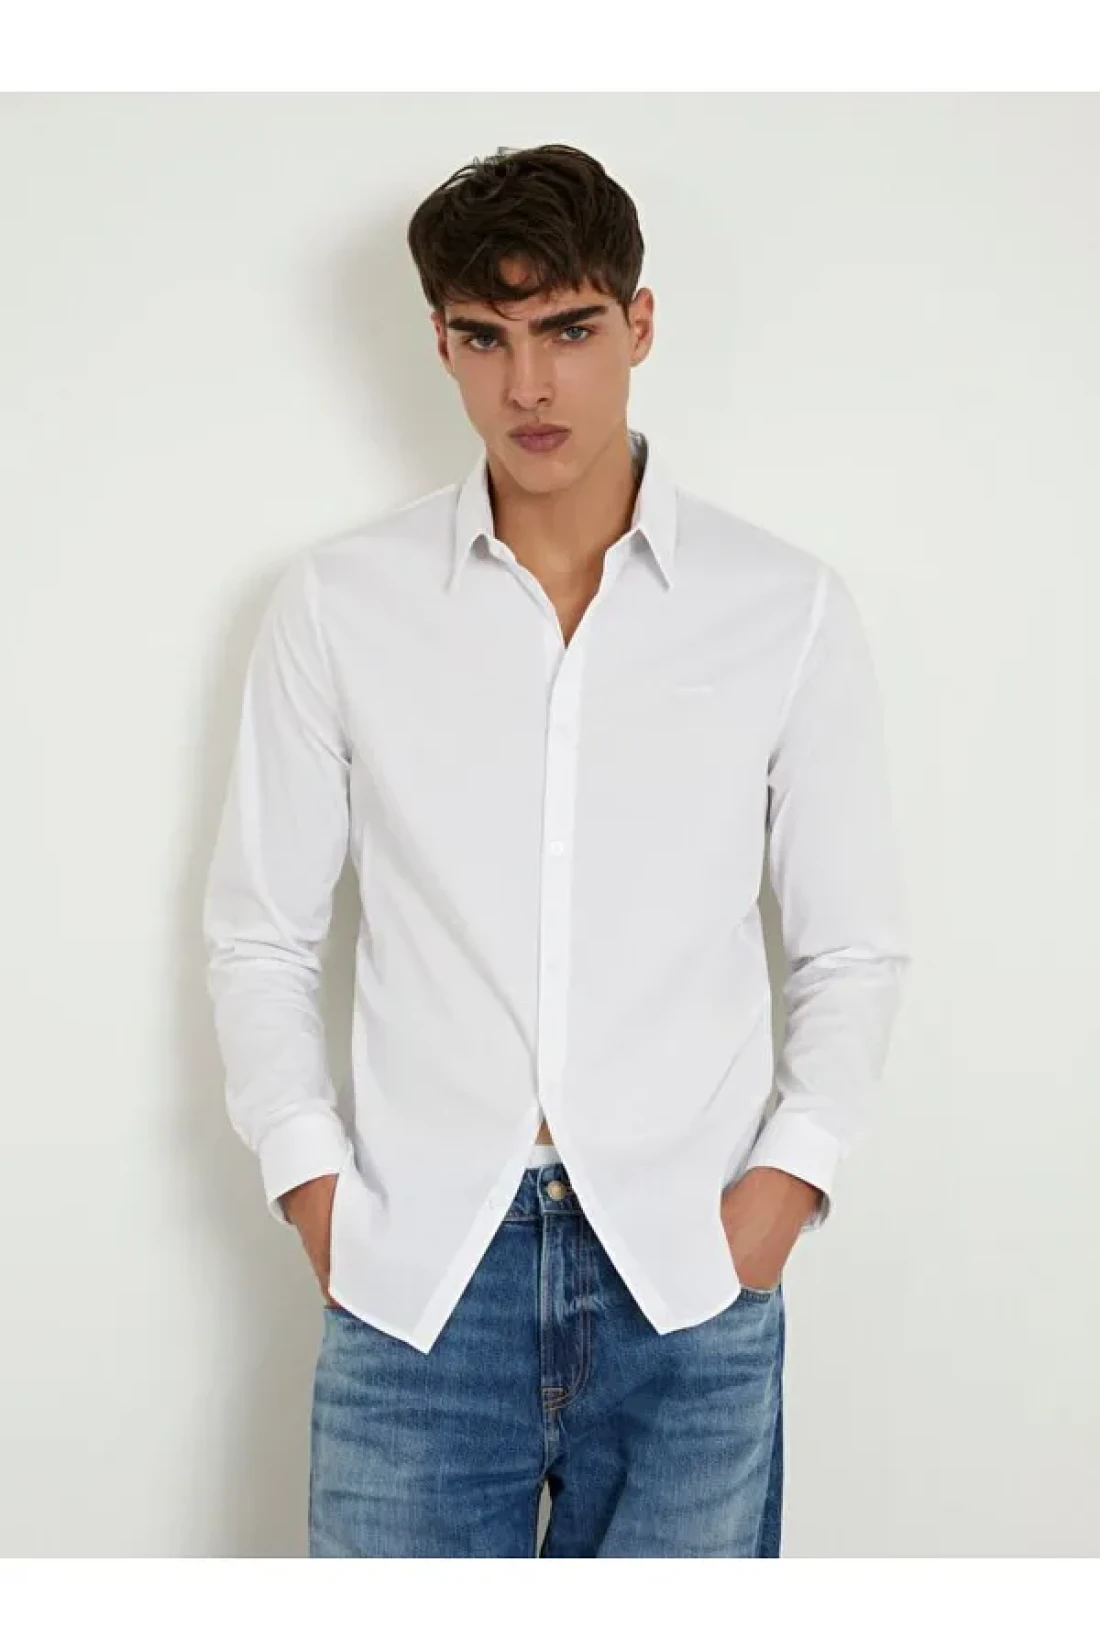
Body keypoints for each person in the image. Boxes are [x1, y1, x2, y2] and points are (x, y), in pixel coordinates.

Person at [201, 142, 912, 1558]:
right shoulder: (340, 606)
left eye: (568, 330)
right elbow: (260, 932)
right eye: (487, 337)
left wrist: (777, 1198)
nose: (529, 385)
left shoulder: (784, 608)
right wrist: (316, 1191)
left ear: (638, 326)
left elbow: (852, 946)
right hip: (417, 1273)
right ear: (442, 344)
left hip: (686, 1276)